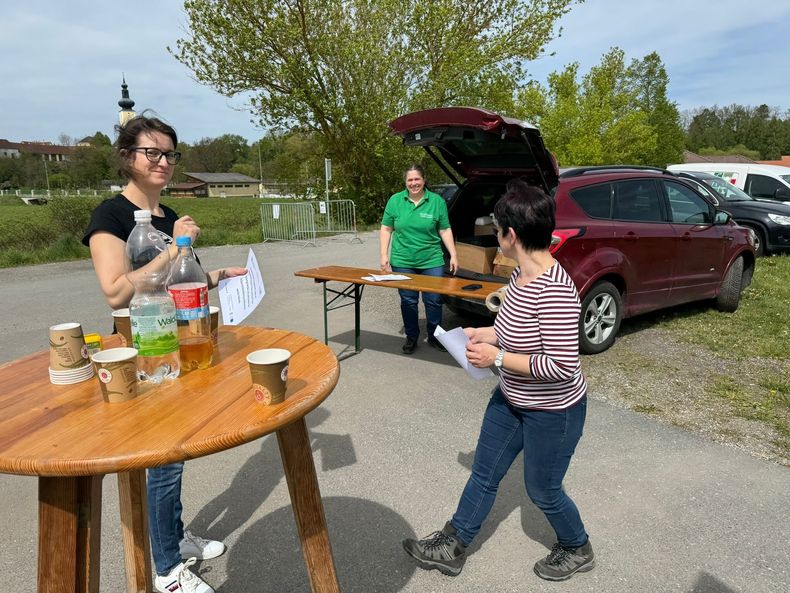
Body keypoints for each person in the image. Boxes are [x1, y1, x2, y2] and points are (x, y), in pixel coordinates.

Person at [82, 113, 247, 593]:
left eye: (170, 153)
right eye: (151, 152)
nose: (163, 161)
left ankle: (174, 539)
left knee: (175, 451)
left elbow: (184, 280)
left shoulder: (171, 217)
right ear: (127, 158)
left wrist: (222, 277)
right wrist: (176, 249)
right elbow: (115, 292)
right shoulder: (110, 217)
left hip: (181, 344)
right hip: (140, 351)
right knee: (164, 458)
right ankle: (166, 570)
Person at [401, 179, 594, 582]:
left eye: (498, 229)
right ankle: (452, 545)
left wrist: (499, 357)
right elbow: (514, 326)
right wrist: (483, 334)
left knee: (543, 491)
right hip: (511, 398)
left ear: (512, 235)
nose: (495, 234)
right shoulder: (520, 274)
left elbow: (561, 365)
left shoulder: (556, 291)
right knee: (485, 474)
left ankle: (577, 545)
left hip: (553, 411)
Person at [379, 164, 458, 354]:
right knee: (408, 301)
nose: (414, 183)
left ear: (424, 180)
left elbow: (445, 229)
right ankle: (411, 337)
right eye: (410, 180)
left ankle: (435, 337)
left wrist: (453, 254)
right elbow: (386, 228)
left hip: (432, 260)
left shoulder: (437, 201)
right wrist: (384, 255)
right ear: (405, 182)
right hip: (402, 260)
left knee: (433, 300)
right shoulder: (395, 201)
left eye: (417, 179)